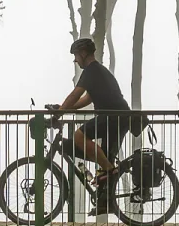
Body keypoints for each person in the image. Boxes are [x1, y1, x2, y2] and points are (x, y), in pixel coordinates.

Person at [48, 37, 131, 214]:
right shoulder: (98, 71)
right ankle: (105, 202)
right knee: (104, 157)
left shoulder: (91, 71)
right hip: (120, 117)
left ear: (84, 54)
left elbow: (75, 94)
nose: (75, 60)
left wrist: (61, 111)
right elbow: (86, 99)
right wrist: (63, 108)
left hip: (113, 116)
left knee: (79, 136)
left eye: (76, 56)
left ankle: (111, 171)